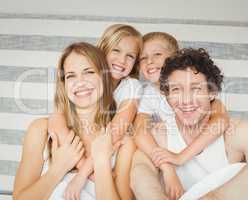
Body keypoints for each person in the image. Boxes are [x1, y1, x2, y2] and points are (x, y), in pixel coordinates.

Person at [131, 48, 248, 200]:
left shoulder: (237, 130)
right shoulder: (159, 135)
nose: (186, 100)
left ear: (212, 92)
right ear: (167, 96)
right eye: (176, 90)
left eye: (196, 89)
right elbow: (141, 172)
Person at [13, 42, 135, 200]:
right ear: (63, 85)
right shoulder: (41, 130)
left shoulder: (123, 142)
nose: (80, 82)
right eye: (71, 76)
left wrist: (101, 162)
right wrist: (58, 168)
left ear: (104, 78)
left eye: (89, 72)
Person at [48, 24, 142, 199]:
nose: (122, 60)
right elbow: (56, 119)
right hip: (82, 153)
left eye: (130, 56)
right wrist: (83, 165)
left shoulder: (131, 87)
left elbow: (114, 134)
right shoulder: (83, 82)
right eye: (116, 51)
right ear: (102, 51)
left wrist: (83, 175)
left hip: (112, 151)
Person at [132, 32, 229, 199]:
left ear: (174, 59)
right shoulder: (147, 94)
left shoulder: (200, 94)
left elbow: (221, 121)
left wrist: (181, 158)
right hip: (170, 155)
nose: (149, 61)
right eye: (143, 58)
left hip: (198, 153)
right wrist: (168, 169)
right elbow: (139, 131)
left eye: (157, 54)